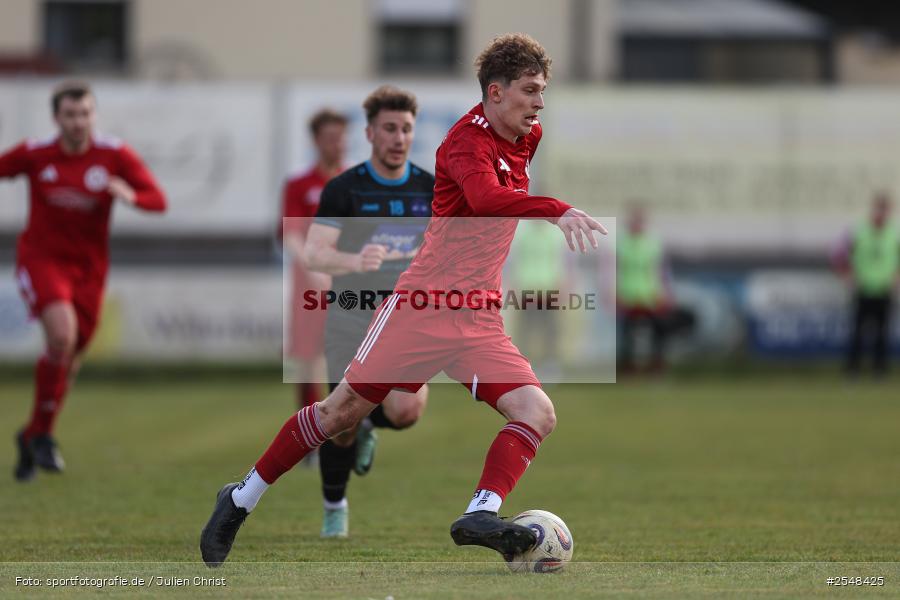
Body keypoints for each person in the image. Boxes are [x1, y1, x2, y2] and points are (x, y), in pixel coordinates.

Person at [200, 33, 606, 567]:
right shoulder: (465, 141)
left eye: (542, 92)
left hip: (478, 316)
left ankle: (481, 513)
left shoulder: (526, 137)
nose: (539, 102)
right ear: (496, 91)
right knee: (338, 413)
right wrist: (557, 209)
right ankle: (241, 497)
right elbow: (485, 200)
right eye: (530, 91)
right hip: (422, 306)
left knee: (536, 411)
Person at [0, 81, 167, 482]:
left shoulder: (113, 154)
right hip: (42, 260)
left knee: (70, 359)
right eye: (70, 114)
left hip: (89, 271)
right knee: (62, 336)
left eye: (85, 114)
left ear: (94, 116)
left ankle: (33, 435)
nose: (78, 122)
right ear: (57, 118)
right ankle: (42, 439)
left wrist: (131, 196)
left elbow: (157, 200)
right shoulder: (36, 153)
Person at [302, 85, 432, 537]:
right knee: (339, 424)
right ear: (371, 133)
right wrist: (357, 261)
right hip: (352, 314)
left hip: (403, 319)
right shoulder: (345, 188)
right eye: (389, 129)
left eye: (406, 129)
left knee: (407, 411)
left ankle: (366, 423)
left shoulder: (430, 189)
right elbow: (315, 254)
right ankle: (334, 505)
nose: (399, 137)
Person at [280, 108, 348, 414]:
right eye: (330, 138)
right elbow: (291, 234)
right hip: (309, 285)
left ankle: (352, 427)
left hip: (347, 282)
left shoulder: (353, 183)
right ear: (316, 141)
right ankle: (310, 433)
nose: (337, 145)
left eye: (341, 138)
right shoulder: (299, 185)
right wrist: (312, 269)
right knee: (307, 359)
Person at [833, 192, 899, 376]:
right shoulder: (858, 230)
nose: (881, 214)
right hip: (862, 288)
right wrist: (847, 275)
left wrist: (896, 278)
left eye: (884, 210)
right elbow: (838, 255)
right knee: (857, 333)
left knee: (882, 334)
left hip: (884, 289)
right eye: (878, 209)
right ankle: (852, 370)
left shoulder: (894, 233)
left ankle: (880, 371)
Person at [616, 205, 673, 374]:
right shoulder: (621, 243)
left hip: (650, 294)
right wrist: (614, 293)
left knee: (658, 333)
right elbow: (615, 270)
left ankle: (656, 368)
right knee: (626, 335)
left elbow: (662, 270)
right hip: (628, 294)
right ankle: (627, 369)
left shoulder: (653, 242)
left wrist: (666, 292)